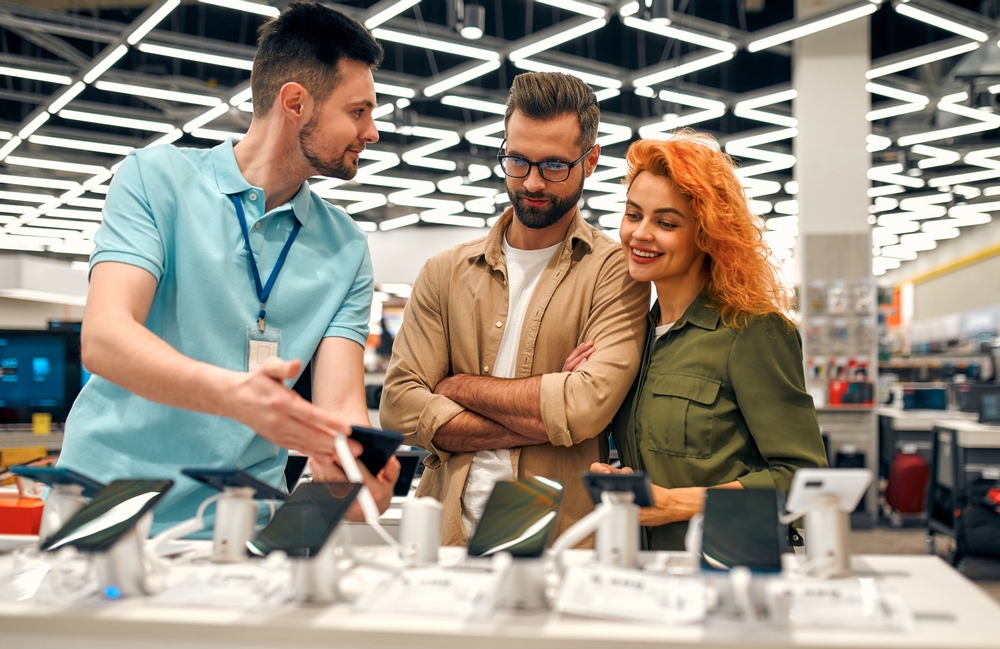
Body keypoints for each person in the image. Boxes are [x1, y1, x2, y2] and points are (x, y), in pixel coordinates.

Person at [57, 2, 399, 534]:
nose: (372, 131)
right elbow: (104, 339)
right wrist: (233, 396)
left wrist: (356, 476)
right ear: (295, 103)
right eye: (358, 111)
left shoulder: (345, 246)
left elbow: (342, 413)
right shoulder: (156, 180)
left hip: (239, 526)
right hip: (107, 507)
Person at [379, 72, 650, 546]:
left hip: (561, 540)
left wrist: (457, 387)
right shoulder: (444, 272)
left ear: (591, 160)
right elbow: (400, 407)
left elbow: (584, 408)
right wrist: (546, 418)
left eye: (553, 166)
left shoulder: (615, 271)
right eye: (517, 160)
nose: (531, 182)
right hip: (445, 536)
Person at [591, 131, 828, 551]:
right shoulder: (635, 338)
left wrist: (677, 503)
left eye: (666, 223)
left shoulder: (752, 331)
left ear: (707, 234)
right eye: (633, 215)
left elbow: (804, 480)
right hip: (650, 570)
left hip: (731, 570)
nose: (640, 234)